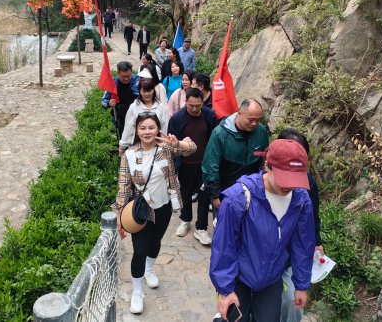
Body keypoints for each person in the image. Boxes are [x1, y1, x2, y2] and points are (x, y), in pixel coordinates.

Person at [210, 139, 315, 321]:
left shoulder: (301, 200)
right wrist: (225, 290)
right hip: (238, 277)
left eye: (295, 179)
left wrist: (301, 285)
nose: (289, 186)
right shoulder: (238, 197)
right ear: (268, 166)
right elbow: (224, 246)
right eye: (284, 178)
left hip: (272, 278)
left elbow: (303, 244)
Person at [115, 113, 197, 314]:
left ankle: (150, 269)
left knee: (156, 241)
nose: (147, 132)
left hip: (164, 206)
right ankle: (137, 291)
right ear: (137, 131)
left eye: (151, 127)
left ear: (158, 129)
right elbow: (123, 187)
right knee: (139, 250)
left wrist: (178, 143)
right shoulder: (129, 155)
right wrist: (119, 216)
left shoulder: (166, 149)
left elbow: (192, 148)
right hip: (141, 210)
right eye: (142, 128)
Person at [277, 129, 323, 322]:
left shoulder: (308, 182)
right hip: (268, 253)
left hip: (294, 249)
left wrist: (317, 241)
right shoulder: (261, 183)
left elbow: (313, 216)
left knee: (292, 299)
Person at [168, 88, 218, 245]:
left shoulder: (209, 115)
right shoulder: (177, 118)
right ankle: (185, 219)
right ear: (186, 102)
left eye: (198, 105)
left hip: (204, 165)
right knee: (185, 193)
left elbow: (214, 139)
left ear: (203, 103)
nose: (195, 109)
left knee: (204, 195)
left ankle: (201, 227)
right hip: (185, 164)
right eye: (191, 106)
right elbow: (172, 146)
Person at [202, 99, 269, 212]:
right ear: (239, 113)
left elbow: (263, 158)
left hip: (253, 190)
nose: (254, 123)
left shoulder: (261, 131)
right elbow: (210, 166)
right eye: (251, 119)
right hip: (226, 190)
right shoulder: (220, 134)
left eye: (258, 120)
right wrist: (215, 195)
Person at [119, 77, 169, 155]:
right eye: (144, 91)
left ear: (154, 90)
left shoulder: (161, 107)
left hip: (156, 145)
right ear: (140, 91)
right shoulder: (134, 107)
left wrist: (163, 142)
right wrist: (123, 145)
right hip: (137, 145)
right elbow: (129, 127)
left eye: (149, 91)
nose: (147, 94)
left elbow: (164, 126)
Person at [101, 61, 140, 138]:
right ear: (118, 73)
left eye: (128, 76)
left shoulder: (138, 80)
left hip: (136, 114)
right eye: (123, 76)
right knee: (122, 137)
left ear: (131, 72)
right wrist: (109, 103)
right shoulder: (112, 83)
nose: (126, 79)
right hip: (120, 115)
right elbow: (103, 100)